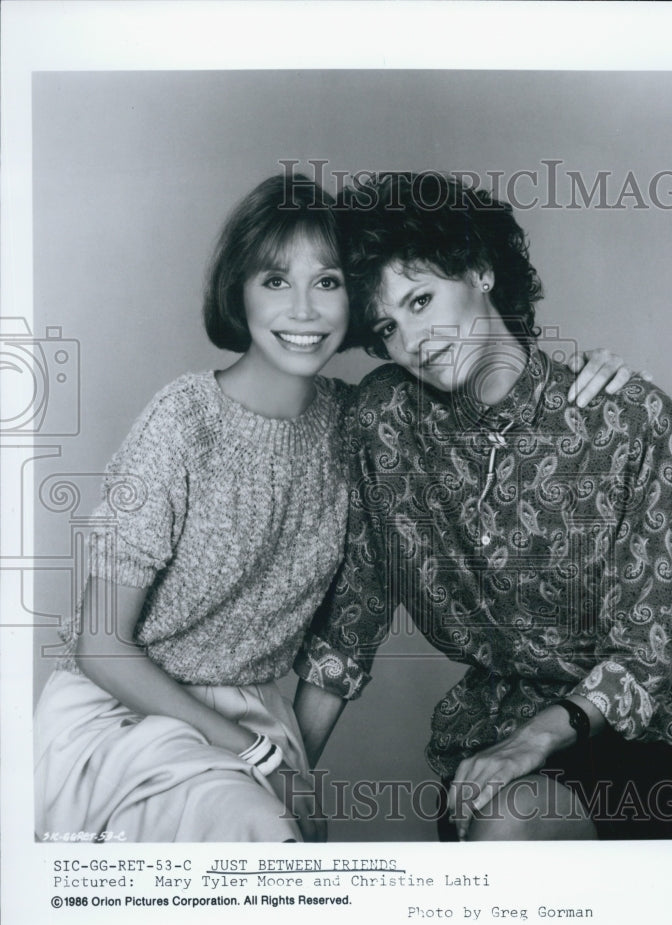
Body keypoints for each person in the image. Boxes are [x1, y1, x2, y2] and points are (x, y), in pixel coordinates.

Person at [33, 171, 633, 844]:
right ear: (238, 291)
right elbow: (100, 646)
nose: (304, 311)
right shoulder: (182, 421)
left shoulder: (365, 424)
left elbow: (488, 401)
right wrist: (258, 757)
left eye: (327, 283)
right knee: (256, 842)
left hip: (251, 721)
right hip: (124, 720)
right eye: (274, 281)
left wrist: (580, 377)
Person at [294, 172, 672, 841]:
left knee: (506, 829)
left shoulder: (627, 419)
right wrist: (283, 778)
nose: (413, 340)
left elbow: (643, 653)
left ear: (482, 272)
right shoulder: (384, 421)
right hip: (484, 746)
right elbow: (352, 620)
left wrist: (531, 744)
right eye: (386, 325)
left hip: (629, 745)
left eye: (422, 299)